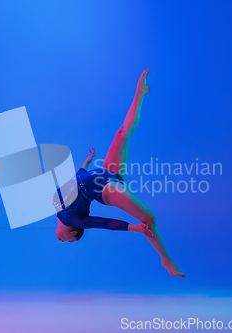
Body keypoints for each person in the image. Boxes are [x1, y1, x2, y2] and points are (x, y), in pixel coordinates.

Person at [53, 69, 185, 277]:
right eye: (70, 241)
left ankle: (140, 93)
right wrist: (135, 228)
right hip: (107, 188)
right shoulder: (75, 221)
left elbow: (75, 180)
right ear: (74, 232)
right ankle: (166, 260)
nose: (64, 242)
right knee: (148, 217)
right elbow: (106, 224)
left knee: (123, 132)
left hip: (106, 171)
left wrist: (86, 162)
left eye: (67, 242)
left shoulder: (55, 204)